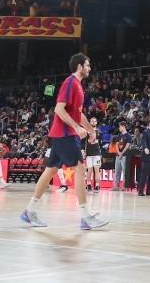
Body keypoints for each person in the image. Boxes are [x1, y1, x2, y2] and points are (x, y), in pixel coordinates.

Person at [20, 54, 108, 230]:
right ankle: (85, 217)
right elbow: (59, 109)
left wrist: (90, 130)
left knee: (50, 170)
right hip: (65, 134)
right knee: (80, 168)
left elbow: (78, 114)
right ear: (79, 66)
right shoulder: (70, 83)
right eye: (87, 65)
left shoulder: (78, 86)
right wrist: (76, 127)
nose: (90, 68)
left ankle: (29, 211)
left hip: (63, 135)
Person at [84, 118, 102, 193]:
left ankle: (97, 185)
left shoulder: (99, 132)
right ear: (90, 122)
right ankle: (88, 184)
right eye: (92, 121)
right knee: (89, 170)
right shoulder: (86, 131)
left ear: (96, 122)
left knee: (97, 170)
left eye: (95, 121)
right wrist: (84, 151)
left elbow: (99, 143)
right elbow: (85, 142)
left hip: (97, 153)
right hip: (89, 154)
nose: (93, 122)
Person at [112, 122, 129, 191]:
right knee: (117, 171)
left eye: (120, 127)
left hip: (124, 156)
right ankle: (116, 186)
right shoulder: (118, 136)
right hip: (118, 156)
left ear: (123, 126)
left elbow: (127, 146)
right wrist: (118, 152)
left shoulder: (128, 136)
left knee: (125, 172)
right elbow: (116, 145)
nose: (119, 128)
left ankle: (124, 186)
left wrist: (121, 153)